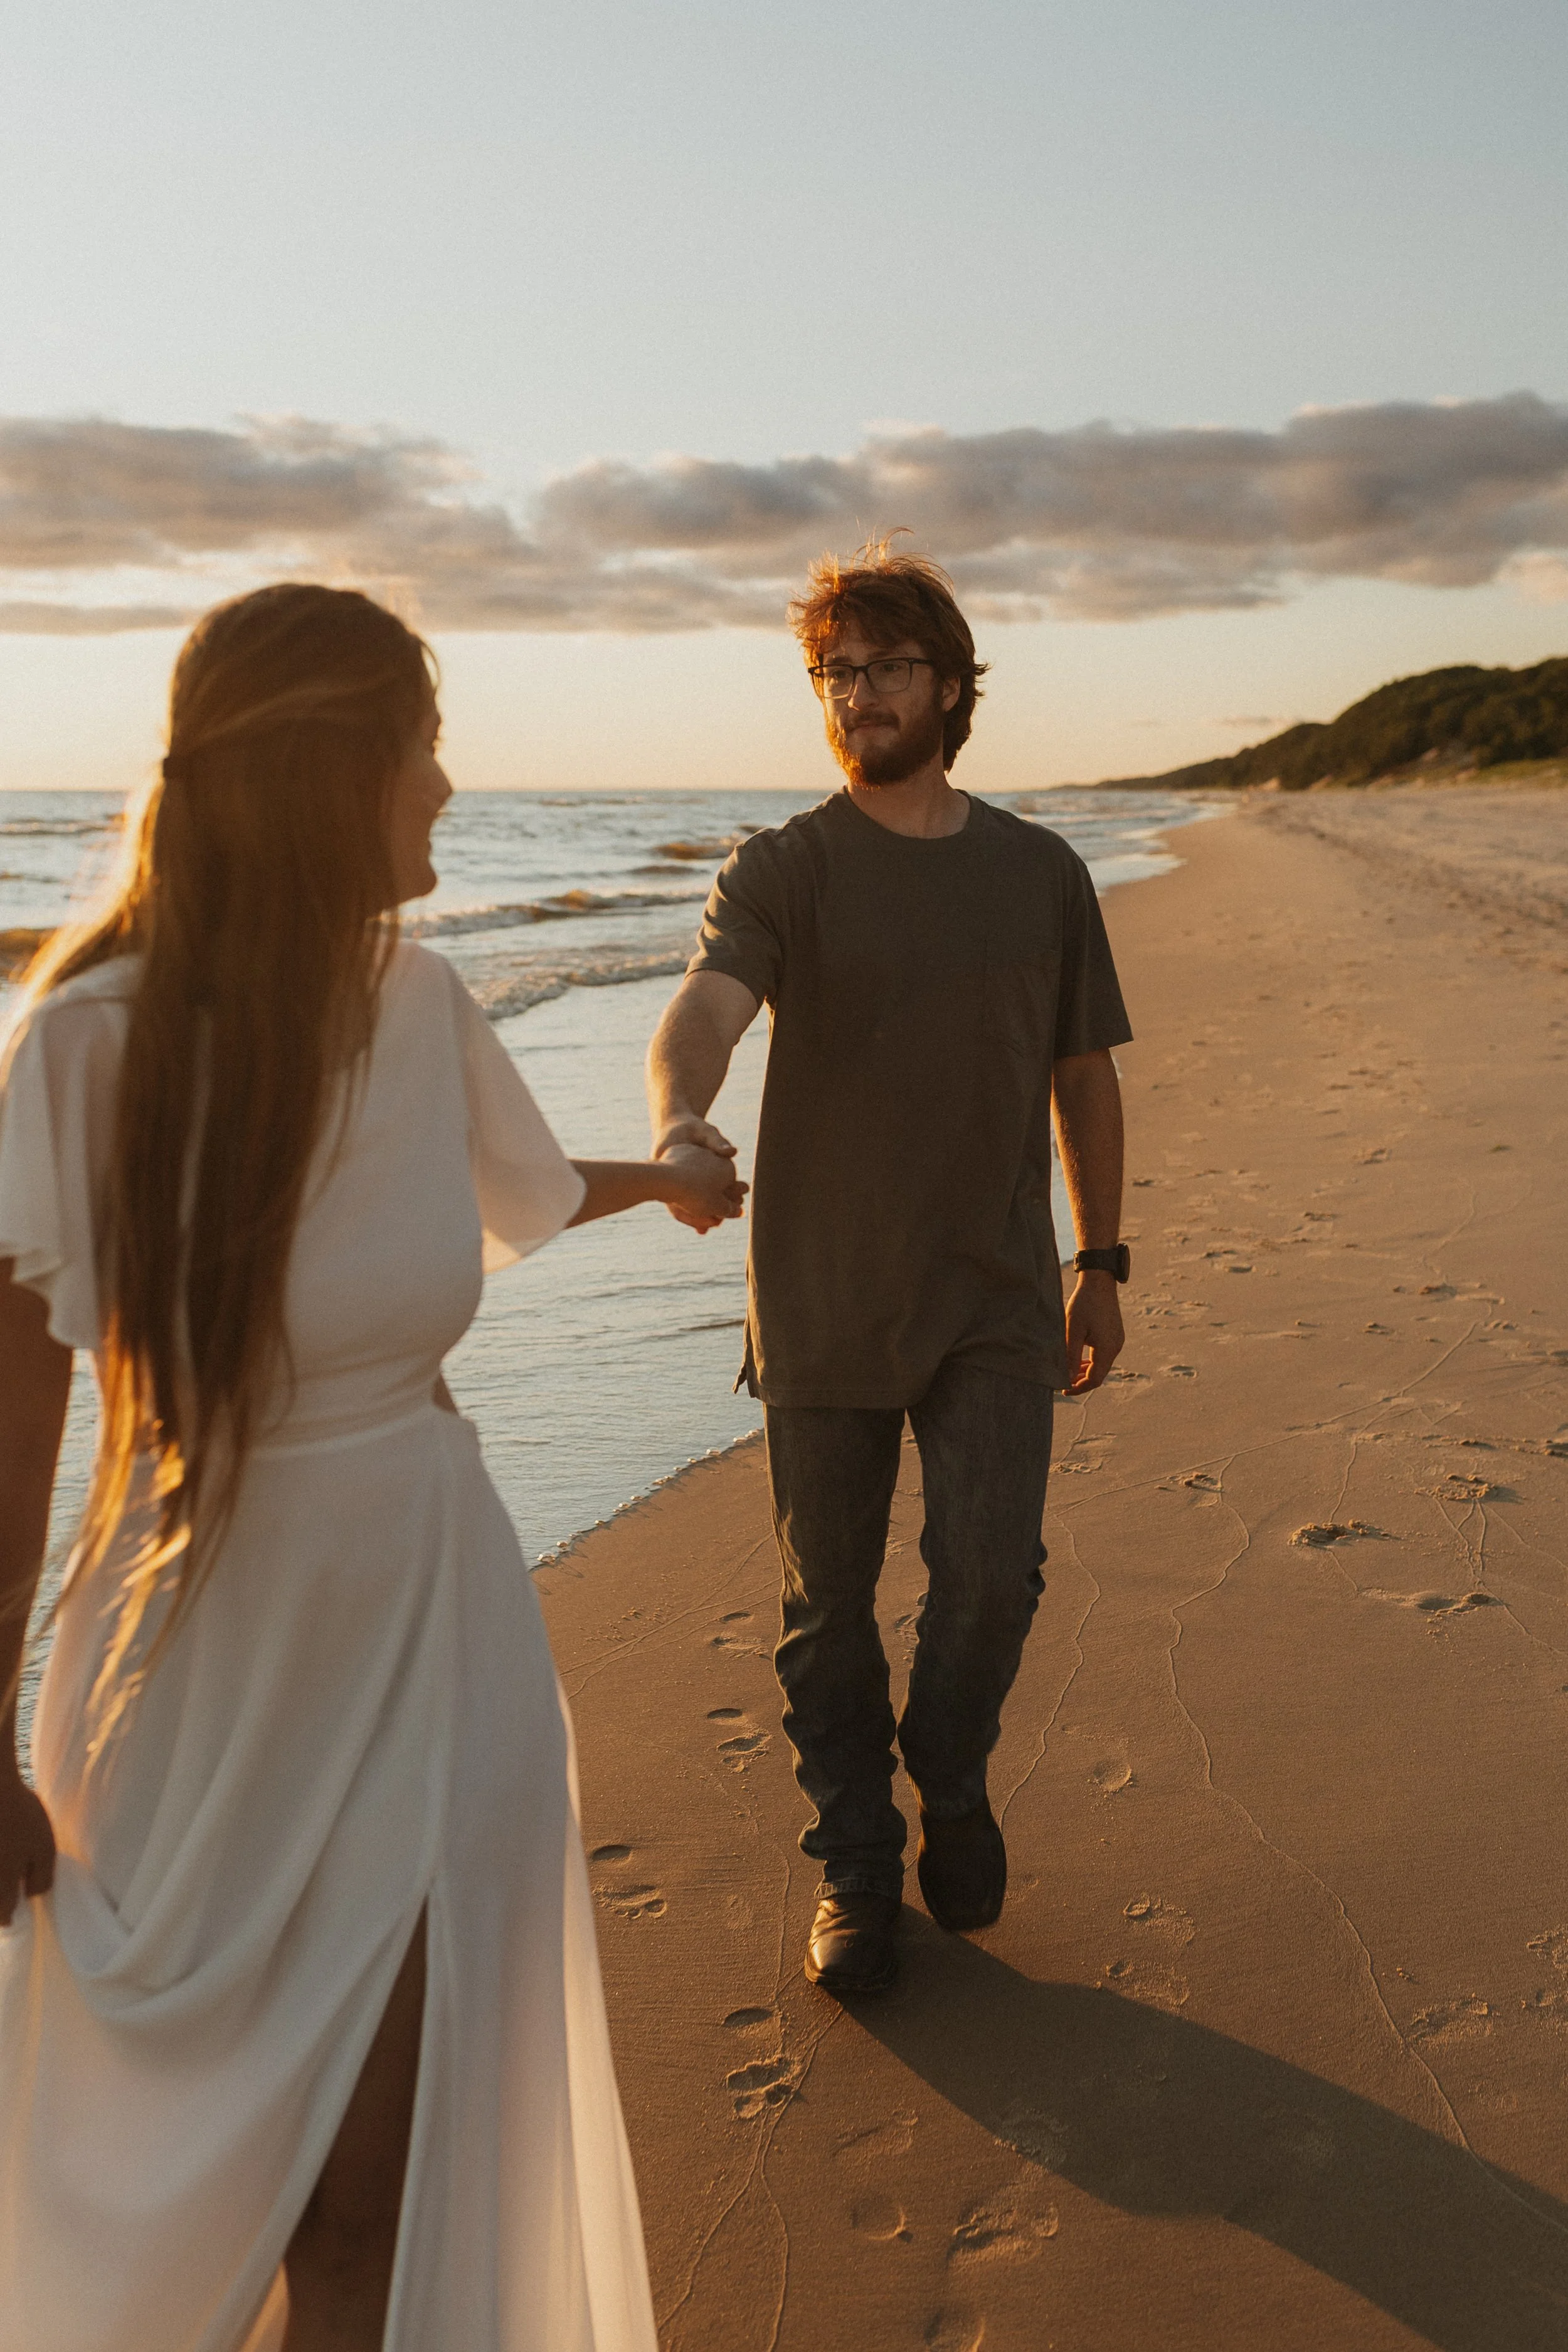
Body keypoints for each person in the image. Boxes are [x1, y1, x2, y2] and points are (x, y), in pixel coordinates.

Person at [0, 583, 743, 2351]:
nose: (447, 784)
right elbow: (14, 1424)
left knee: (379, 2176)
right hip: (200, 1659)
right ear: (331, 767)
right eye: (421, 743)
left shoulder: (417, 1001)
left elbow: (513, 1188)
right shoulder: (87, 1042)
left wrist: (672, 1176)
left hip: (433, 1617)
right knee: (189, 2161)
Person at [646, 544, 1132, 1996]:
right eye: (835, 672)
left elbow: (1083, 1077)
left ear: (949, 683)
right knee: (826, 1611)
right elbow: (705, 1009)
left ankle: (950, 1763)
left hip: (993, 1288)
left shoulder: (1037, 872)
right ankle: (856, 1866)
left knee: (990, 1576)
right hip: (819, 1296)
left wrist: (1098, 1261)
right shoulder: (782, 868)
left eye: (886, 667)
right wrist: (679, 1114)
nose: (858, 694)